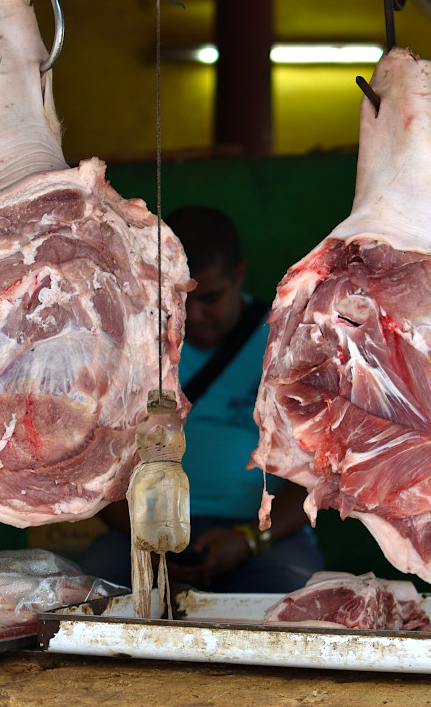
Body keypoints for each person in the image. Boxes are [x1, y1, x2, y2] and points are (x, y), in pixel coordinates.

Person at [78, 206, 324, 593]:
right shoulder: (130, 349)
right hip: (141, 534)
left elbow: (317, 474)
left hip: (261, 539)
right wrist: (147, 537)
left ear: (238, 274)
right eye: (177, 298)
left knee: (288, 604)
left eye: (210, 297)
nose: (193, 314)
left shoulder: (284, 346)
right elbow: (96, 466)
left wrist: (247, 540)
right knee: (85, 596)